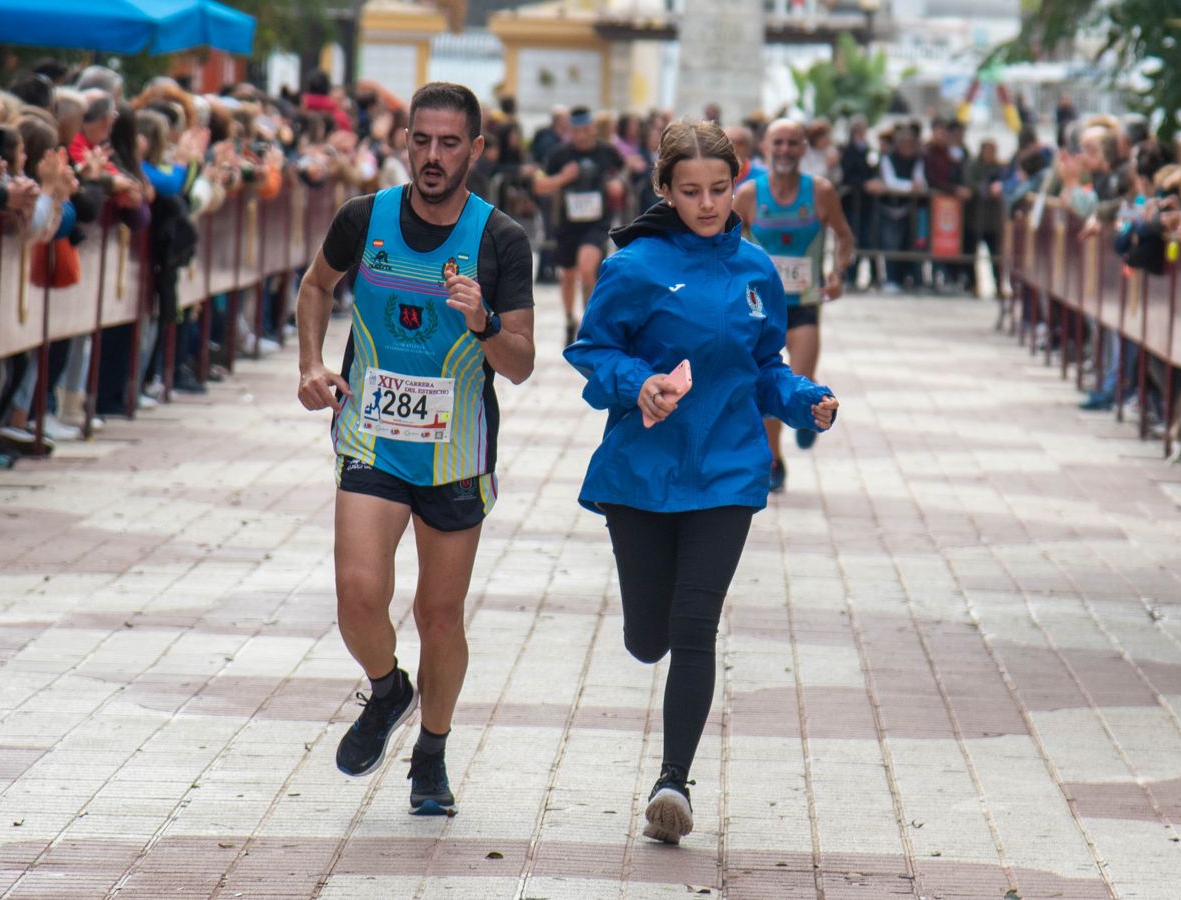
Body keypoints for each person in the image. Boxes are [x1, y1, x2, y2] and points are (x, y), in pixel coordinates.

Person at [564, 118, 839, 844]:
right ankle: (647, 647)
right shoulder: (634, 267)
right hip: (641, 477)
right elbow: (592, 352)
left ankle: (672, 784)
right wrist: (639, 382)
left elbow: (765, 367)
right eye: (691, 191)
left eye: (719, 189)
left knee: (694, 625)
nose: (708, 203)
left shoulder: (756, 269)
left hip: (727, 472)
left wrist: (805, 396)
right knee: (648, 636)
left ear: (735, 182)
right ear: (665, 189)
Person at [294, 82, 535, 816]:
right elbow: (314, 287)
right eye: (421, 141)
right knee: (357, 594)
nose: (433, 157)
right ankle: (388, 688)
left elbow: (521, 362)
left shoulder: (501, 240)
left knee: (439, 614)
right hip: (371, 435)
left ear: (476, 150)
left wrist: (485, 321)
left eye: (449, 143)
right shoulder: (363, 219)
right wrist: (310, 364)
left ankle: (431, 753)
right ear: (405, 141)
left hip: (456, 451)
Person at [732, 118, 854, 492]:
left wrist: (838, 274)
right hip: (761, 310)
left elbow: (845, 238)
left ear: (804, 149)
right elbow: (725, 246)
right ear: (764, 148)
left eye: (792, 143)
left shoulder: (820, 192)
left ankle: (806, 413)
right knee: (768, 384)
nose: (784, 150)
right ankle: (774, 459)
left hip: (803, 305)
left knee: (799, 377)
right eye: (778, 143)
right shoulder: (750, 195)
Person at [534, 106, 625, 345]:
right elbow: (539, 185)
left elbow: (623, 173)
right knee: (568, 275)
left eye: (585, 130)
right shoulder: (559, 155)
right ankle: (568, 320)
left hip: (597, 223)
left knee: (587, 269)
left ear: (593, 128)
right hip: (567, 223)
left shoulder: (607, 152)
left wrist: (617, 183)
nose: (581, 135)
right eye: (576, 130)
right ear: (570, 130)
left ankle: (589, 322)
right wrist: (563, 178)